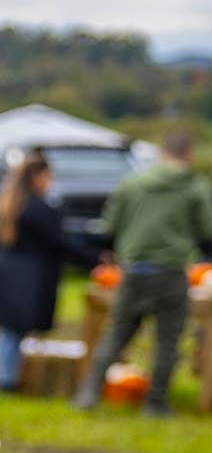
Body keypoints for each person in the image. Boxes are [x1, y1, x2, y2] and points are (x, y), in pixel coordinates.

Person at [76, 129, 212, 414]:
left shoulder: (132, 183)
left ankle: (89, 393)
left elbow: (109, 226)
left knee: (117, 334)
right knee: (168, 341)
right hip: (172, 272)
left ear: (163, 153)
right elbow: (207, 230)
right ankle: (155, 402)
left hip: (134, 270)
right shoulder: (195, 187)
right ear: (187, 155)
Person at [0, 153, 97, 392]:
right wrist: (93, 260)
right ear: (37, 176)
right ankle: (5, 382)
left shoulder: (8, 204)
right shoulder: (37, 208)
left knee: (8, 330)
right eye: (48, 175)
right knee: (13, 331)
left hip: (5, 273)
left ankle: (4, 376)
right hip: (26, 278)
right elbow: (58, 242)